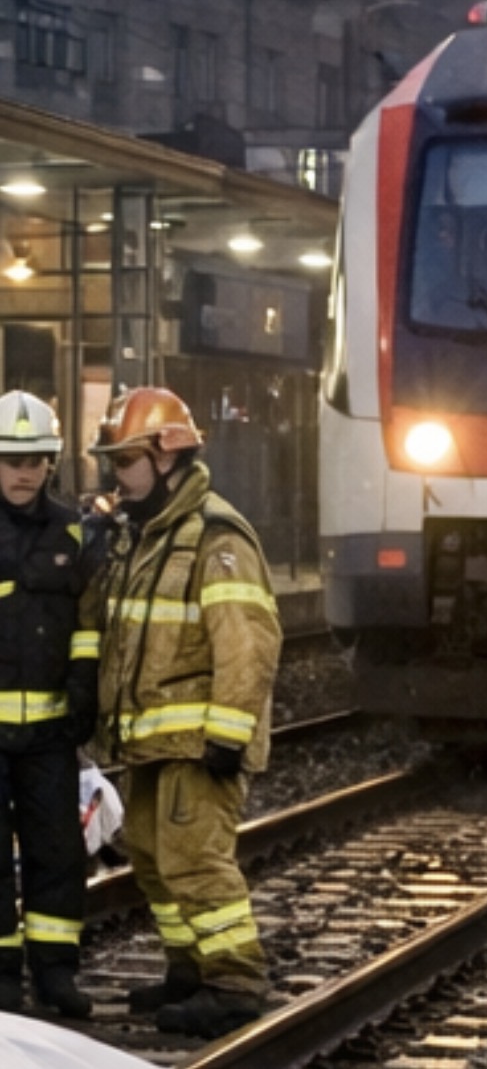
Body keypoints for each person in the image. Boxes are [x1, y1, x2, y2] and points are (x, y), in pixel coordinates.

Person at [86, 385, 281, 1040]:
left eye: (124, 461)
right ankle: (189, 968)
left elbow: (247, 643)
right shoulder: (143, 536)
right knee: (149, 855)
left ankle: (234, 984)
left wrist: (228, 735)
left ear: (165, 456)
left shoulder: (215, 537)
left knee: (194, 861)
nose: (115, 475)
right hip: (152, 739)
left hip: (199, 743)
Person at [0, 391, 98, 1020]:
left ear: (51, 462)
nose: (24, 472)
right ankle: (2, 979)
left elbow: (87, 622)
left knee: (58, 854)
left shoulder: (74, 531)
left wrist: (84, 686)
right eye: (12, 460)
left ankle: (56, 974)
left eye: (35, 460)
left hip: (51, 733)